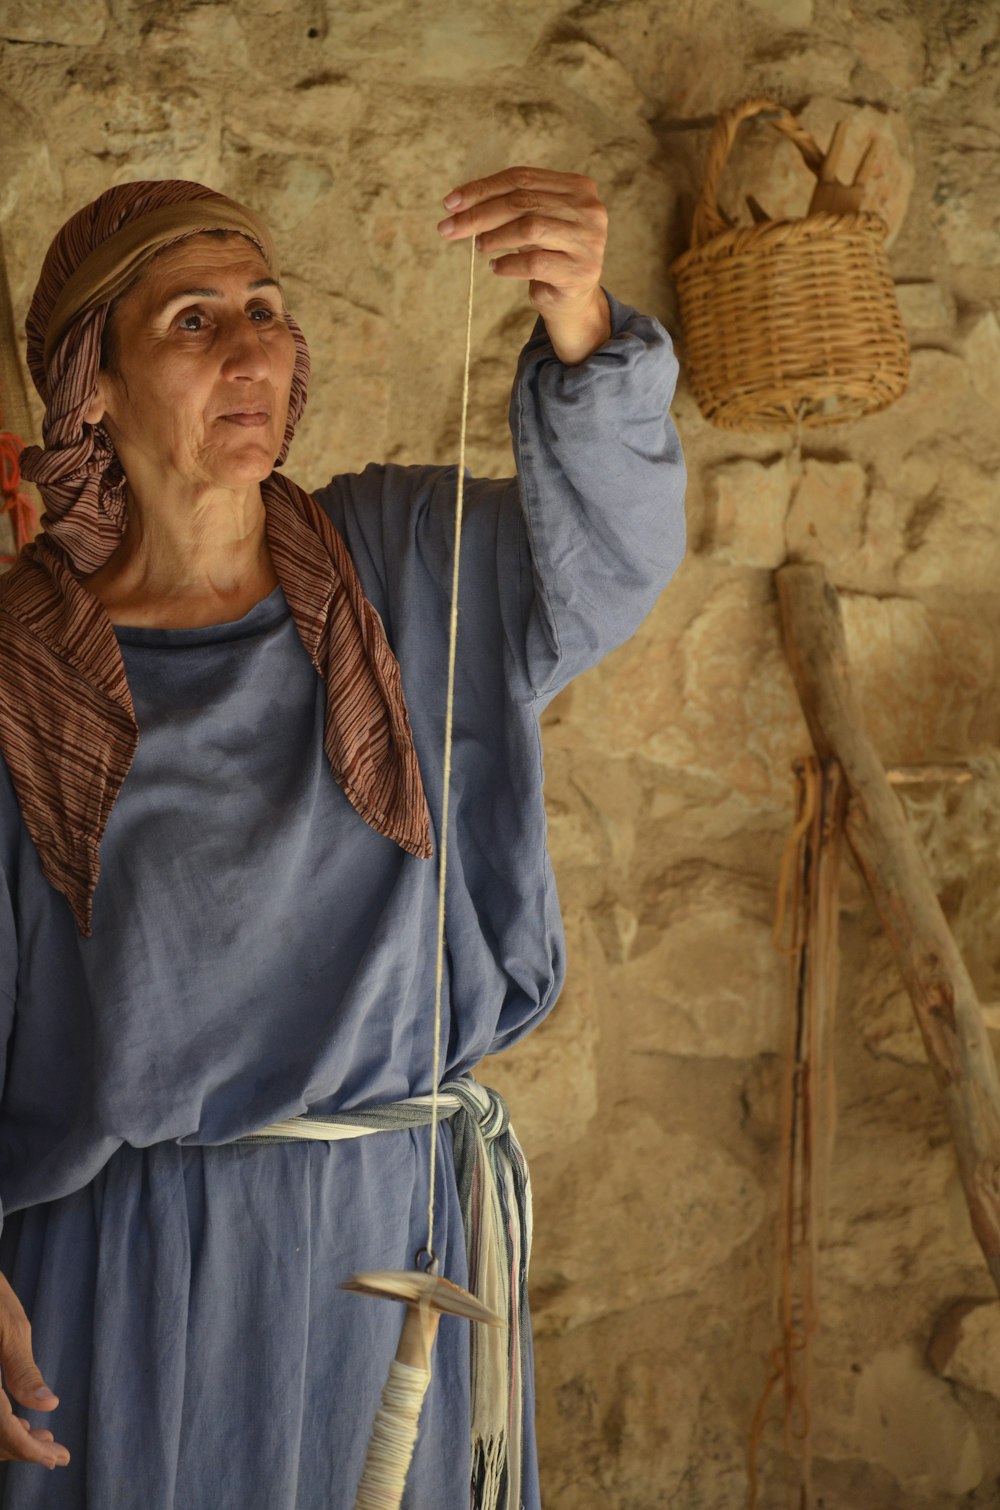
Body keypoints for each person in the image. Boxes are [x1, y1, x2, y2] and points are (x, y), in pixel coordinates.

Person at [0, 167, 686, 1508]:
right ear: (92, 385)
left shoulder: (404, 563)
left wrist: (583, 321)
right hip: (129, 1280)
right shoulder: (23, 669)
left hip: (394, 1246)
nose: (253, 345)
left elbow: (609, 559)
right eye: (193, 321)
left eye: (265, 307)